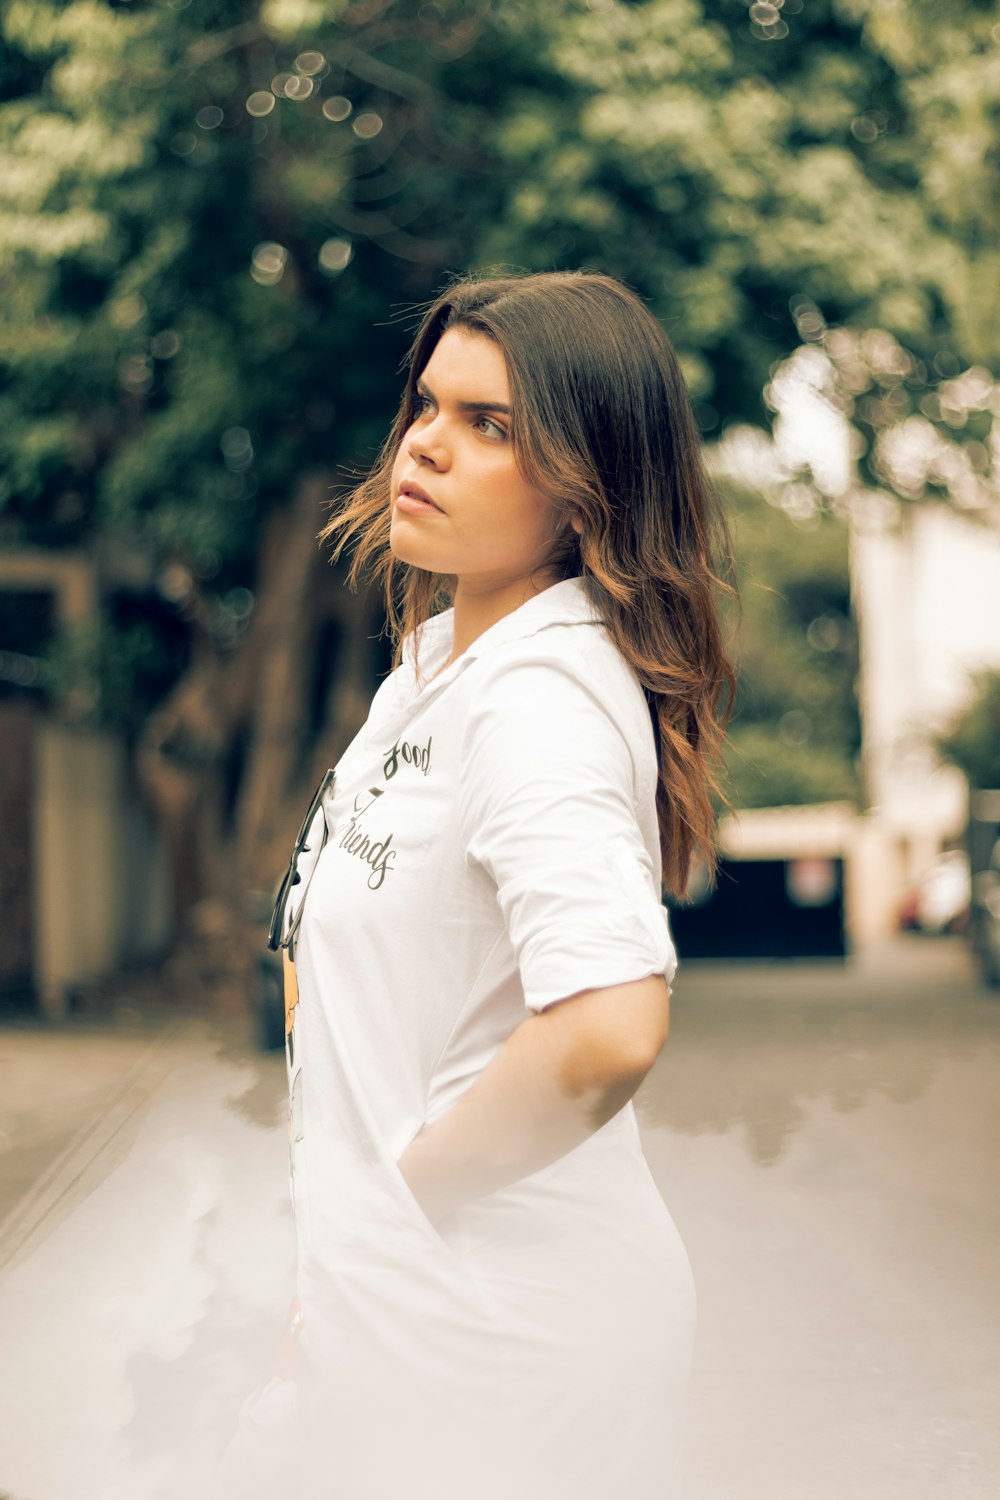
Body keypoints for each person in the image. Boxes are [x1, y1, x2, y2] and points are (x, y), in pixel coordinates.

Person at [236, 270, 735, 1500]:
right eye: (429, 406)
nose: (427, 444)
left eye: (491, 425)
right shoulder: (440, 669)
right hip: (421, 1332)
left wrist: (395, 1213)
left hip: (508, 1351)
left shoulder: (537, 700)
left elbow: (608, 1030)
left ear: (588, 490)